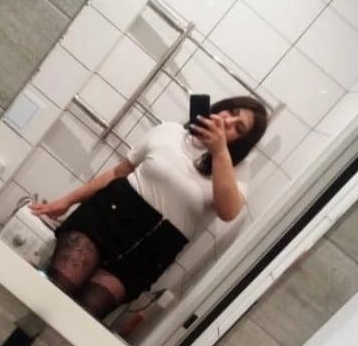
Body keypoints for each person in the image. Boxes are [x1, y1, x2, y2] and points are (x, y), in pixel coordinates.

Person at [30, 95, 268, 320]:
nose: (228, 121)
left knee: (83, 315)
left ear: (242, 141)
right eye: (232, 111)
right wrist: (67, 200)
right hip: (107, 216)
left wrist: (220, 153)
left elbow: (228, 211)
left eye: (239, 128)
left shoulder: (237, 170)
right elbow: (117, 173)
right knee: (56, 289)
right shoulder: (171, 131)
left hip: (150, 251)